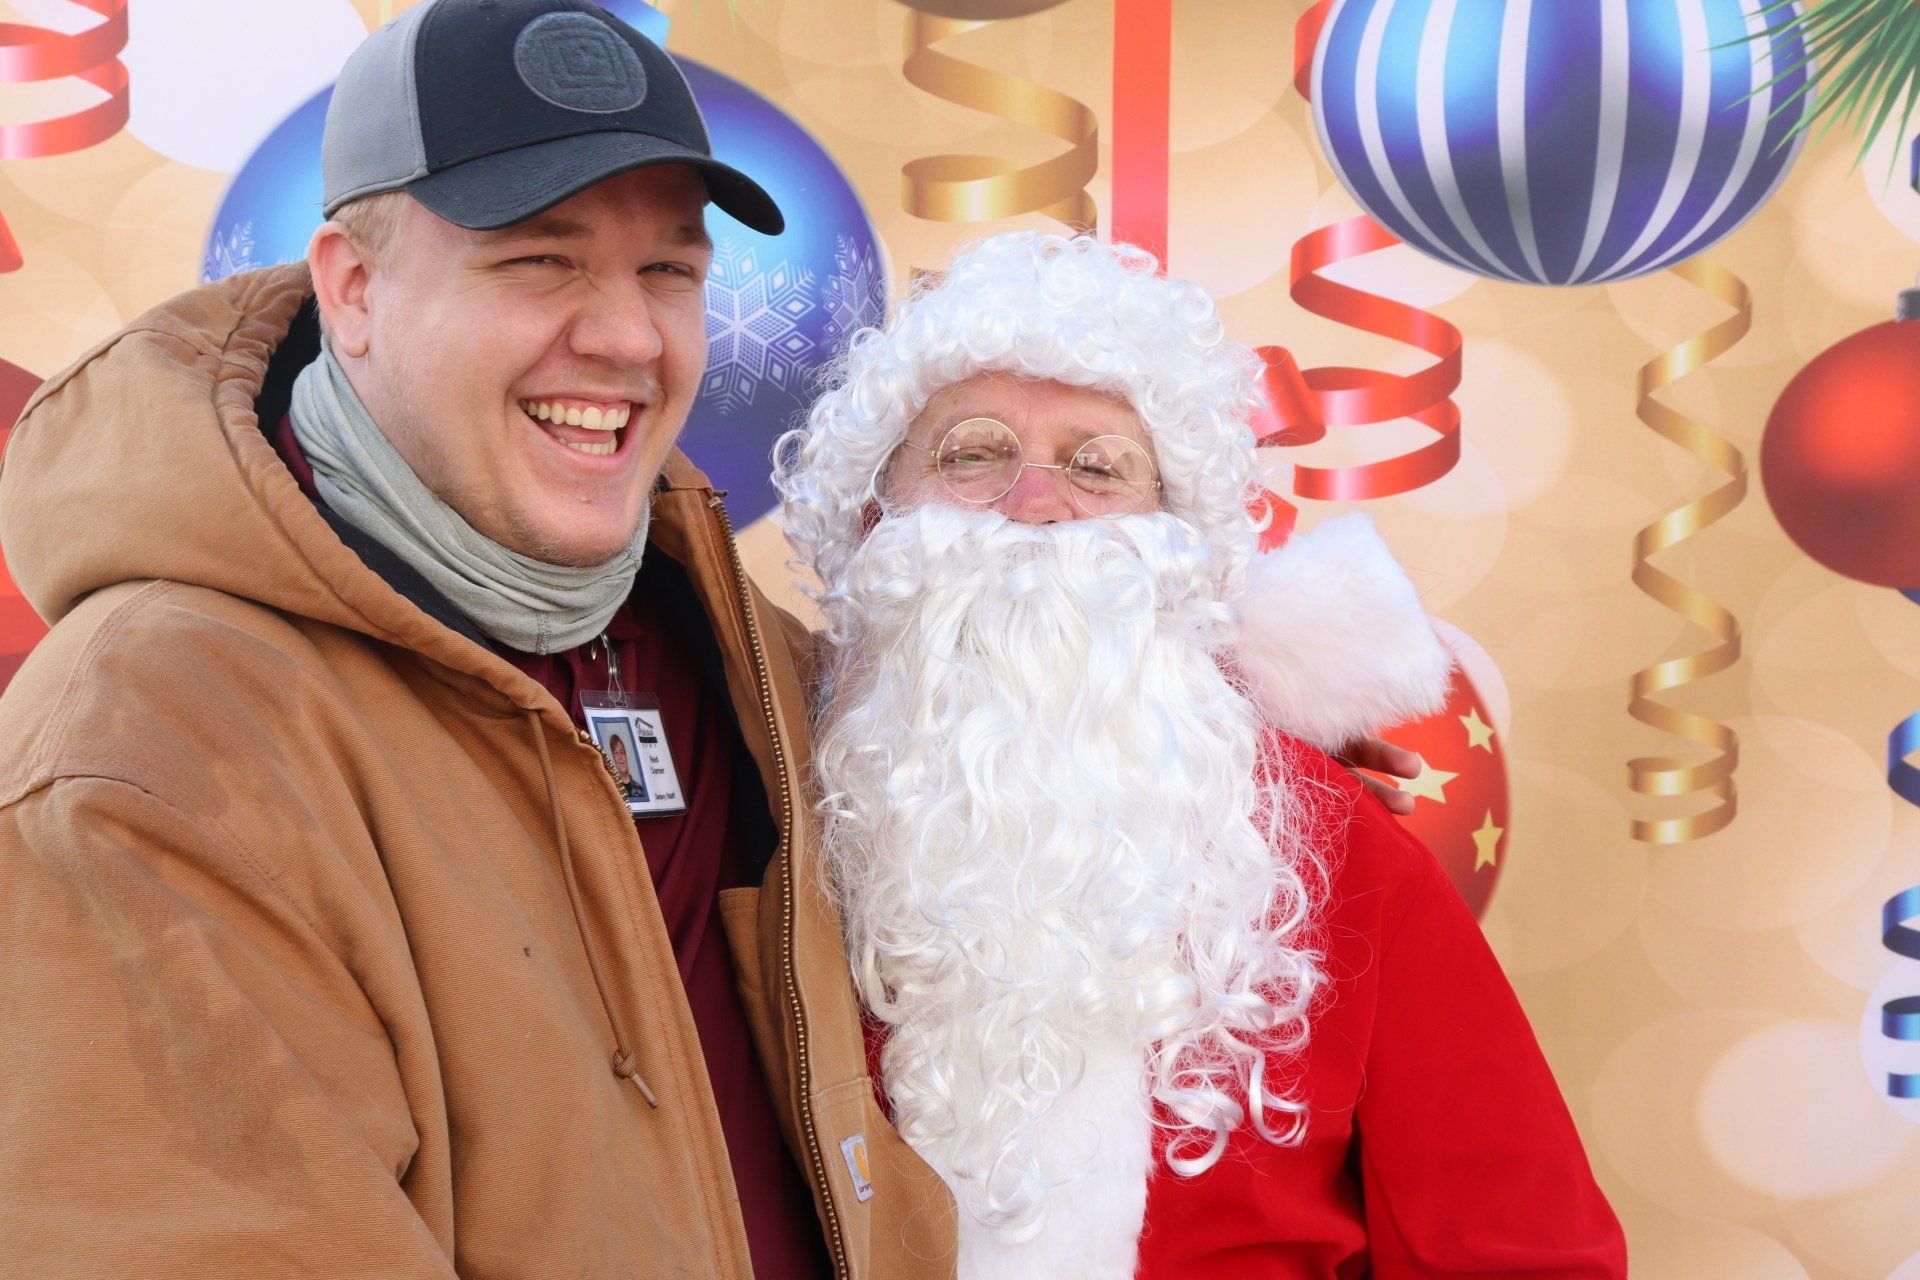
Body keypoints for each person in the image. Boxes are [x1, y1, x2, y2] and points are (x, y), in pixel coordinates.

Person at [0, 2, 956, 1276]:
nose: (625, 336)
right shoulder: (152, 740)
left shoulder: (738, 651)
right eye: (538, 260)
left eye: (669, 268)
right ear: (354, 287)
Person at [773, 232, 1629, 1280]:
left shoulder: (1323, 843)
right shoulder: (763, 807)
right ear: (872, 519)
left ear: (1178, 549)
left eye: (1097, 467)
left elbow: (1517, 1249)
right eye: (973, 452)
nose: (1035, 504)